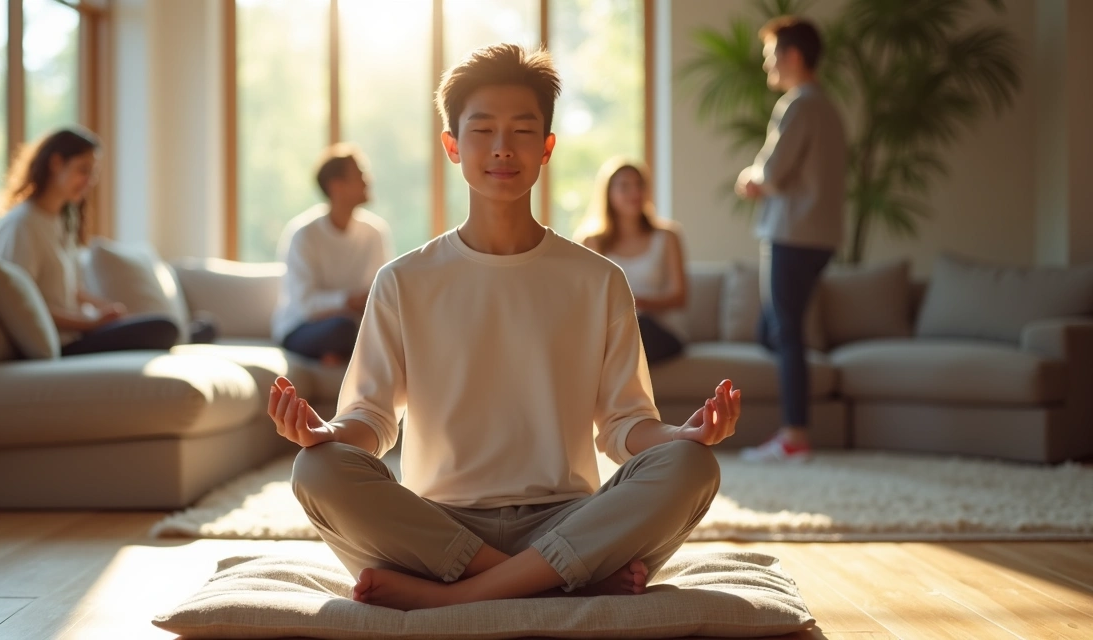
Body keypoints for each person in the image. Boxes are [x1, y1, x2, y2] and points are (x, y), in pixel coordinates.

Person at [267, 44, 742, 611]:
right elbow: (371, 419)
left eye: (521, 130)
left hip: (566, 518)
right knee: (317, 471)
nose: (501, 148)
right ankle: (557, 582)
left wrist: (679, 438)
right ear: (451, 145)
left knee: (691, 466)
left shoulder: (598, 280)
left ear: (546, 148)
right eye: (482, 129)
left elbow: (624, 425)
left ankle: (456, 597)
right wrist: (327, 436)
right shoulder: (402, 281)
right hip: (438, 528)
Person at [734, 17, 846, 463]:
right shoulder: (830, 108)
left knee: (788, 332)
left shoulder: (798, 105)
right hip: (819, 236)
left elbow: (772, 173)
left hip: (791, 234)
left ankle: (795, 434)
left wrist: (749, 178)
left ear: (792, 56)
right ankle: (794, 424)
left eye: (770, 57)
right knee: (776, 329)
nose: (767, 67)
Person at [0, 127, 182, 356]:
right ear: (56, 163)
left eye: (93, 173)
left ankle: (193, 333)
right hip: (58, 343)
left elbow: (69, 288)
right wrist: (91, 324)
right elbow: (21, 305)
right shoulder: (21, 225)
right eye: (83, 170)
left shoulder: (60, 219)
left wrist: (104, 309)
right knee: (165, 328)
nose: (89, 182)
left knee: (164, 326)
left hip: (76, 333)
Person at [270, 144, 393, 365]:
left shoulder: (375, 232)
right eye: (360, 175)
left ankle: (337, 355)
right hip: (303, 328)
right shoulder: (304, 234)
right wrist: (348, 301)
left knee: (390, 325)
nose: (368, 181)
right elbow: (305, 305)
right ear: (337, 186)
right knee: (343, 327)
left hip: (357, 323)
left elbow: (380, 291)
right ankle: (339, 353)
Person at [579, 158, 689, 365]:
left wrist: (635, 303)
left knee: (635, 327)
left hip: (659, 330)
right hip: (613, 328)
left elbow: (680, 297)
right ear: (609, 194)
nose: (635, 193)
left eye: (639, 185)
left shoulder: (667, 237)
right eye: (625, 186)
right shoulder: (592, 242)